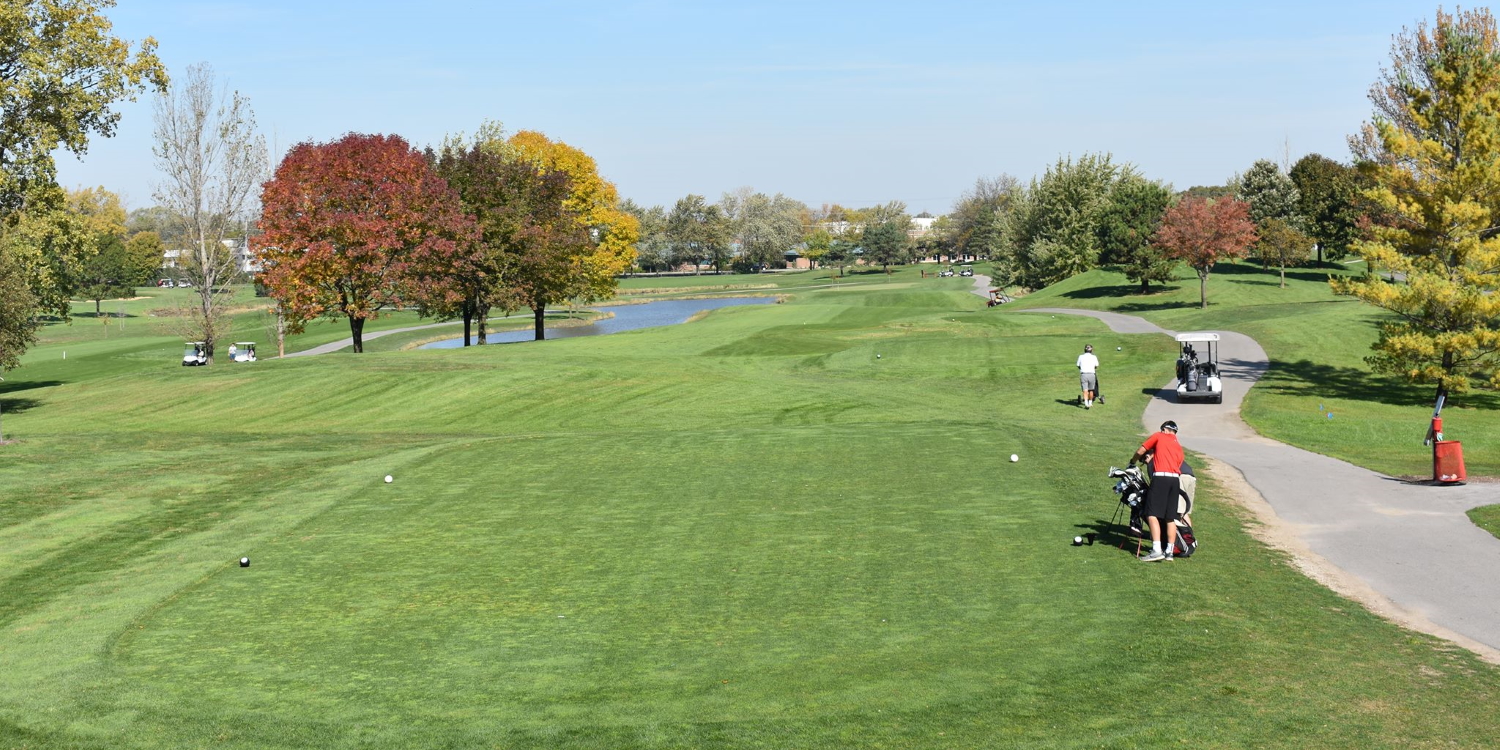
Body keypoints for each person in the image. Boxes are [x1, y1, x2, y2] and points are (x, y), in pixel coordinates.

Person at [1129, 420, 1184, 562]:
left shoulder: (1159, 436)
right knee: (1170, 517)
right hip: (1175, 480)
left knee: (1151, 513)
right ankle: (1169, 552)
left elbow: (1141, 450)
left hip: (1161, 478)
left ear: (1165, 429)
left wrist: (1132, 462)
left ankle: (1156, 550)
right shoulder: (1178, 446)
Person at [1076, 344, 1100, 409]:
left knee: (1085, 390)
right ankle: (1090, 403)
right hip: (1092, 374)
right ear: (1091, 350)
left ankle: (1086, 403)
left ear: (1085, 350)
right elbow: (1096, 365)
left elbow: (1078, 365)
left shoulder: (1081, 356)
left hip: (1084, 374)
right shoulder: (1094, 357)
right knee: (1091, 390)